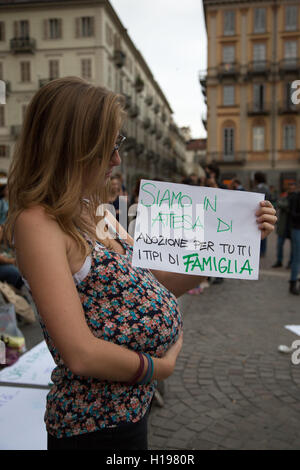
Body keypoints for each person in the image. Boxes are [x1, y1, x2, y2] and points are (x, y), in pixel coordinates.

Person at [3, 77, 277, 450]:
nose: (117, 159)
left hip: (131, 413)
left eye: (118, 144)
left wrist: (234, 244)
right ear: (71, 145)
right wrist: (157, 369)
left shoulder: (94, 209)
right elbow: (80, 354)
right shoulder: (37, 223)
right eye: (107, 146)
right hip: (92, 428)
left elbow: (155, 280)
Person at [272, 182, 295, 269]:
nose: (291, 190)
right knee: (279, 244)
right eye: (289, 188)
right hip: (283, 226)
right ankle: (279, 261)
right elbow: (280, 204)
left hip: (292, 226)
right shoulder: (284, 197)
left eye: (292, 188)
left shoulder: (295, 197)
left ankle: (291, 262)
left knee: (293, 247)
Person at [253, 172, 271, 258]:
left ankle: (262, 251)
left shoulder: (263, 188)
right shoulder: (261, 187)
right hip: (259, 213)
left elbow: (268, 199)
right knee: (259, 231)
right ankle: (261, 250)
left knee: (262, 231)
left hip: (263, 212)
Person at [288, 187, 300, 295]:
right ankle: (292, 283)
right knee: (297, 258)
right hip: (297, 229)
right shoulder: (295, 197)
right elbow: (292, 214)